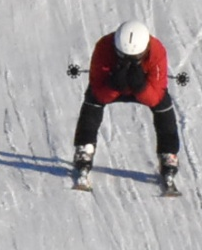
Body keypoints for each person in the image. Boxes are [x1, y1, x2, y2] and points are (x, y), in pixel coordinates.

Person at [71, 20, 181, 192]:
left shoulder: (157, 51)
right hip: (113, 86)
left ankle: (168, 153)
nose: (129, 60)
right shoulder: (103, 47)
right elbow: (98, 89)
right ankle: (84, 147)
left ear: (145, 49)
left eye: (136, 57)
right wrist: (114, 86)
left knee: (163, 106)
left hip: (143, 88)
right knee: (92, 101)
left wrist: (140, 87)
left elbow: (156, 96)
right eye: (122, 55)